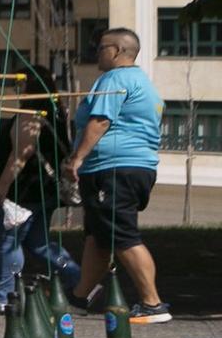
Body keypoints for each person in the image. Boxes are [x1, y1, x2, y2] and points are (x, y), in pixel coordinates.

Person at [64, 27, 170, 323]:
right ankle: (79, 297)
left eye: (100, 47)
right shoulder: (143, 82)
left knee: (122, 235)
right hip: (135, 168)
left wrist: (77, 158)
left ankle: (153, 304)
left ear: (118, 51)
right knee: (99, 236)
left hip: (113, 169)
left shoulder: (114, 79)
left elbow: (99, 122)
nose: (96, 52)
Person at [0, 67, 79, 312]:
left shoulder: (29, 112)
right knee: (39, 243)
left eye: (16, 83)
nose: (13, 88)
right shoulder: (54, 111)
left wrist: (2, 185)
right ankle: (77, 277)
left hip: (22, 191)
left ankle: (4, 296)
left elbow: (23, 150)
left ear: (27, 85)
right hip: (44, 190)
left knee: (9, 242)